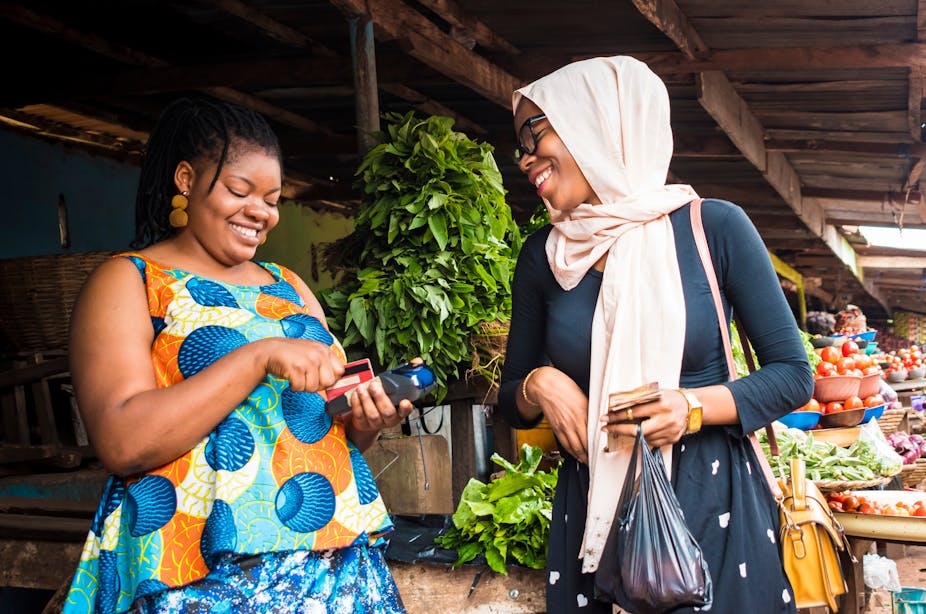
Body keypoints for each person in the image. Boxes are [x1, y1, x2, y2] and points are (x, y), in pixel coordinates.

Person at [63, 97, 410, 613]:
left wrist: (368, 416)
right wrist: (257, 357)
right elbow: (120, 441)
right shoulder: (129, 280)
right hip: (201, 573)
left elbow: (324, 425)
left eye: (272, 199)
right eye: (238, 190)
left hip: (332, 561)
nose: (260, 212)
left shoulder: (289, 286)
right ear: (185, 179)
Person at [497, 56, 814, 613]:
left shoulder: (712, 227)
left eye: (536, 131)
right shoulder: (542, 258)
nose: (524, 156)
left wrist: (690, 406)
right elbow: (510, 400)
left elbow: (792, 376)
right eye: (520, 141)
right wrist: (540, 384)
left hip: (710, 503)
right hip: (595, 508)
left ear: (599, 122)